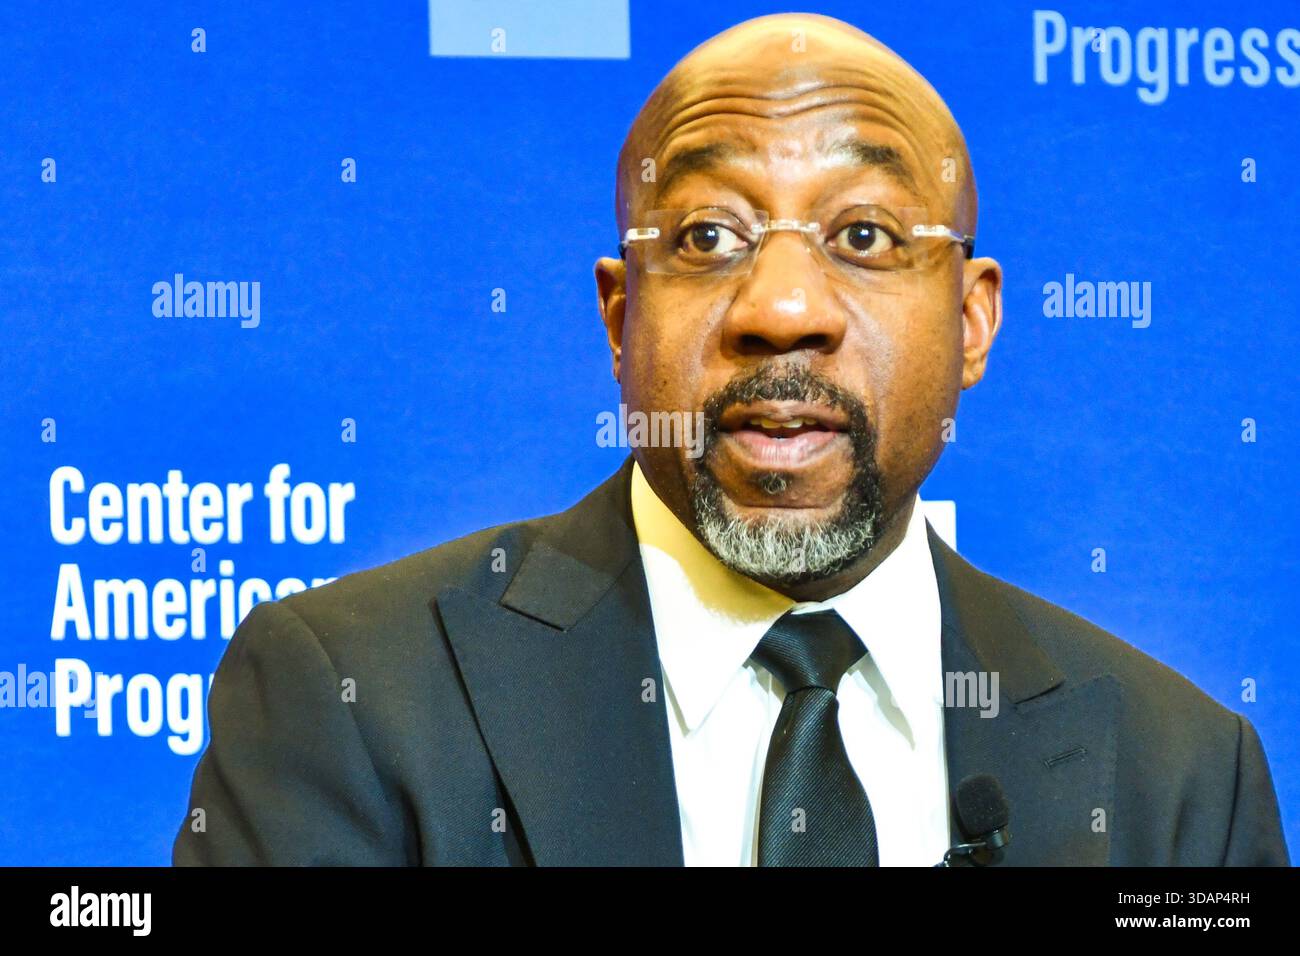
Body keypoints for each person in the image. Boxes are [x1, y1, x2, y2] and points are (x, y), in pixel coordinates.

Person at [173, 12, 1289, 866]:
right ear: (620, 320)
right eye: (708, 235)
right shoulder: (354, 694)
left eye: (863, 232)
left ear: (969, 320)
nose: (782, 306)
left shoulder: (1180, 777)